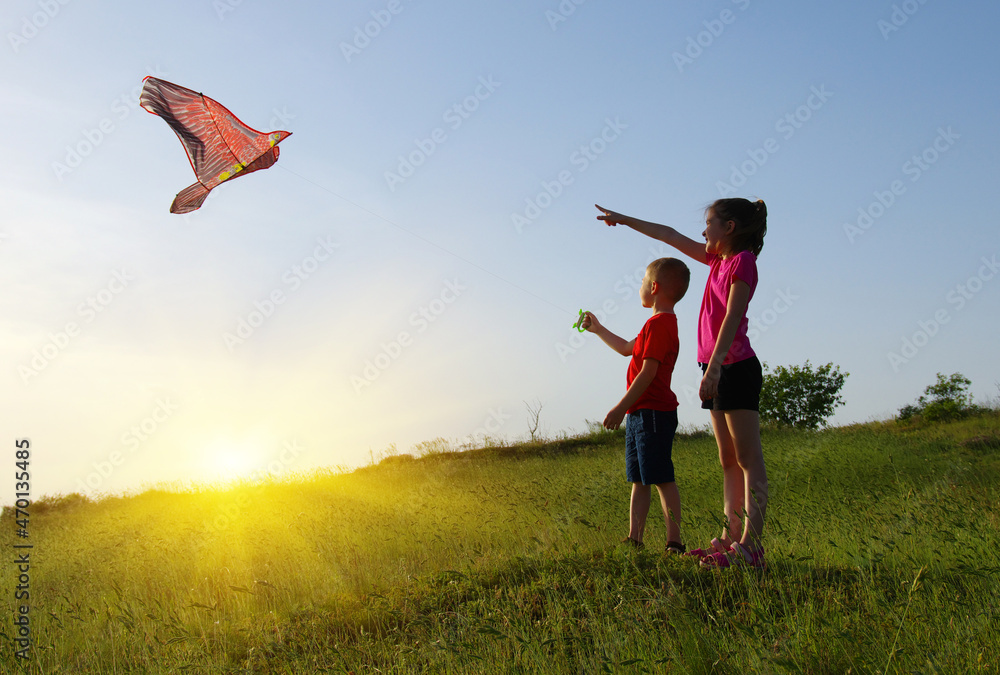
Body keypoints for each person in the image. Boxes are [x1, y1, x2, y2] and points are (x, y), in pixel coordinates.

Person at [595, 199, 769, 569]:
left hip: (733, 367)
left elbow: (734, 314)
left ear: (730, 228)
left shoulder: (741, 263)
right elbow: (669, 235)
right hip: (714, 367)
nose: (703, 232)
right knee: (727, 459)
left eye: (709, 224)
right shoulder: (717, 261)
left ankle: (751, 547)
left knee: (748, 458)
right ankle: (728, 538)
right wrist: (624, 220)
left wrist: (718, 365)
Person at [581, 257, 690, 555]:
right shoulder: (653, 325)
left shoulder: (661, 325)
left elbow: (648, 373)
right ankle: (635, 539)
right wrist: (599, 329)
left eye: (642, 282)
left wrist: (619, 408)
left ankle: (674, 543)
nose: (640, 286)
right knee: (639, 478)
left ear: (654, 287)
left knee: (662, 478)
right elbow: (627, 350)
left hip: (653, 412)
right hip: (640, 413)